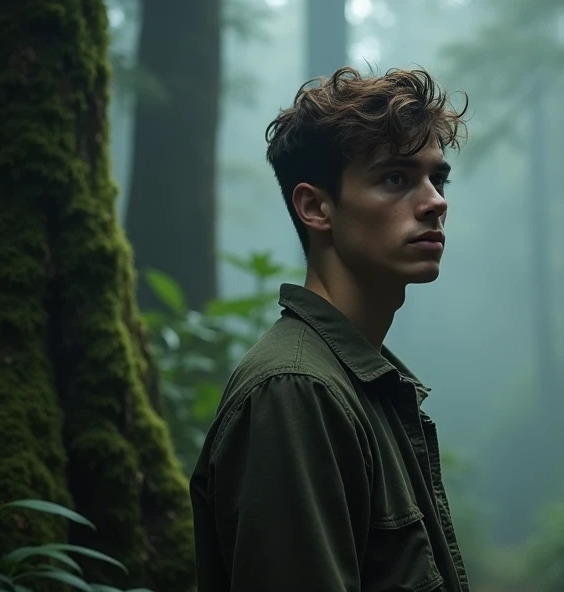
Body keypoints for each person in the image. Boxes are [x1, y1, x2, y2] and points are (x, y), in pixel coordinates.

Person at [188, 66, 470, 591]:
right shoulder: (297, 392)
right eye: (396, 178)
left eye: (438, 177)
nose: (435, 201)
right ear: (316, 207)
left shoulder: (360, 384)